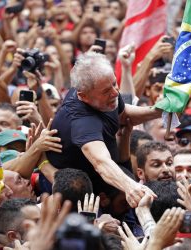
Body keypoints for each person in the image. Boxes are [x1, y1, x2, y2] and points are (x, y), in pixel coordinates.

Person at [45, 52, 163, 208]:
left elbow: (124, 114)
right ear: (84, 96)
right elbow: (101, 162)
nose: (115, 93)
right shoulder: (81, 121)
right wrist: (131, 187)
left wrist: (161, 110)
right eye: (106, 91)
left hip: (106, 185)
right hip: (71, 193)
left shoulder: (105, 92)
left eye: (114, 84)